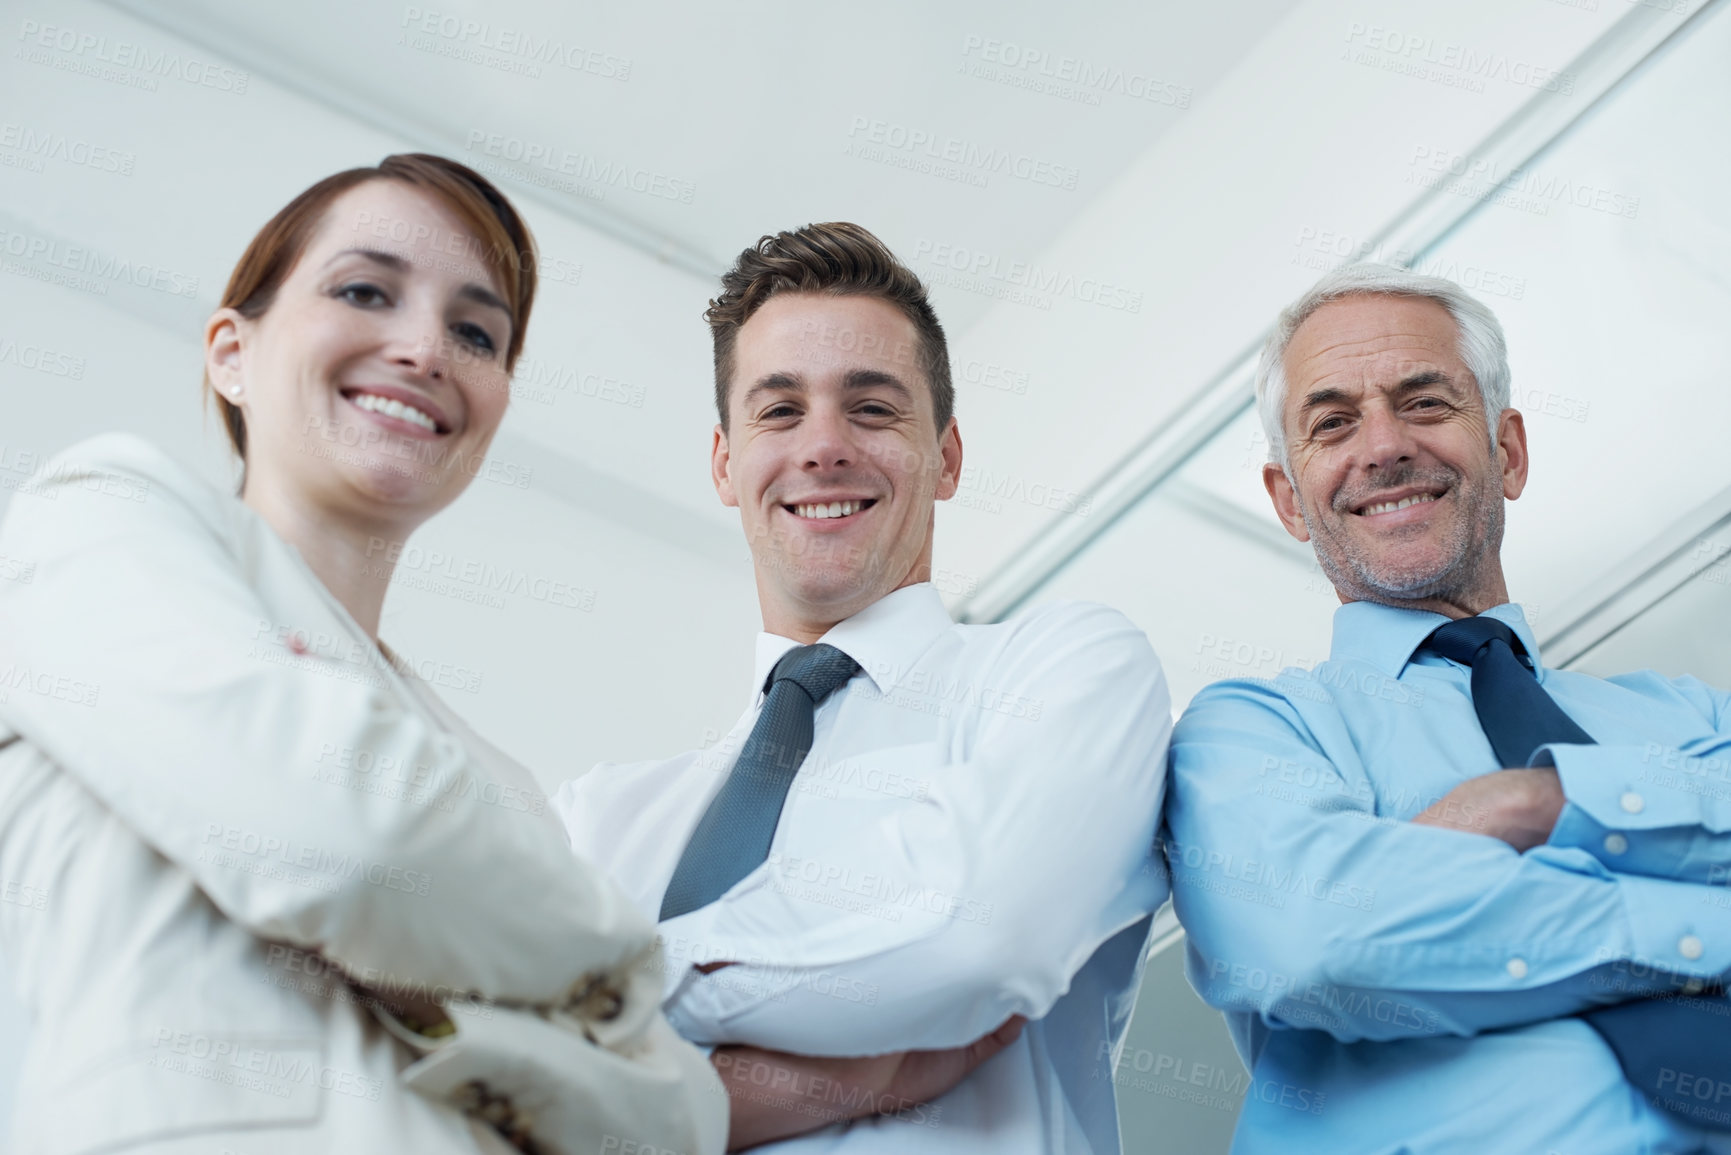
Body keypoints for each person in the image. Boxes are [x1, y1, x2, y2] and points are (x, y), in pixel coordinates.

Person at [0, 154, 727, 1154]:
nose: (426, 347)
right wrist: (622, 970)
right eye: (364, 291)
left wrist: (453, 963)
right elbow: (342, 840)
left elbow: (673, 1119)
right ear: (229, 351)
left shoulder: (504, 790)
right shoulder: (101, 516)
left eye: (476, 332)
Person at [555, 222, 1173, 1153]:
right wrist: (839, 1076)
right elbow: (491, 1086)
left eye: (872, 408)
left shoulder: (1066, 673)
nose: (824, 447)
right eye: (779, 411)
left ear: (948, 456)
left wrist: (606, 994)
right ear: (726, 463)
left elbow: (977, 941)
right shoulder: (598, 819)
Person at [1164, 261, 1731, 1152]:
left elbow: (1372, 919)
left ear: (1507, 452)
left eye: (1424, 403)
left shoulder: (1692, 717)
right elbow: (1313, 937)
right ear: (1288, 499)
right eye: (1332, 422)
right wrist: (1690, 901)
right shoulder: (1250, 728)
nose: (1382, 444)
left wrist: (1533, 805)